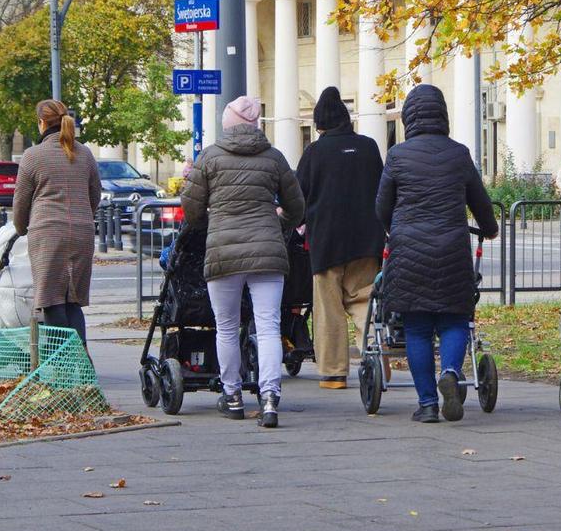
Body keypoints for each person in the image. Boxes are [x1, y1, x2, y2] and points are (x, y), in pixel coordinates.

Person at [376, 84, 500, 423]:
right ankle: (449, 371)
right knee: (455, 319)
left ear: (409, 116)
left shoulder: (398, 155)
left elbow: (381, 207)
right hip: (451, 248)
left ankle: (428, 404)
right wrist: (489, 228)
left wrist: (396, 227)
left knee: (416, 328)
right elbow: (480, 202)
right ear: (442, 114)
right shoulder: (458, 153)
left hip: (409, 250)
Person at [181, 96, 305, 428]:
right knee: (267, 327)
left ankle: (232, 395)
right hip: (268, 252)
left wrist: (213, 223)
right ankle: (268, 398)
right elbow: (297, 206)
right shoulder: (275, 158)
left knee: (226, 327)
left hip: (223, 251)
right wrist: (278, 226)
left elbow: (191, 210)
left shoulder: (209, 157)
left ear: (227, 124)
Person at [296, 87, 385, 389]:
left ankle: (334, 373)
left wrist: (296, 222)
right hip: (366, 240)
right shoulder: (370, 147)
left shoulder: (314, 153)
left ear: (319, 124)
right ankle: (376, 360)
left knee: (328, 309)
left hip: (326, 242)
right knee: (365, 302)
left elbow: (299, 198)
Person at [12, 99, 101, 347]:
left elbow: (20, 202)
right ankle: (79, 362)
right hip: (82, 233)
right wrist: (84, 215)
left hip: (48, 234)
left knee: (51, 300)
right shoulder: (85, 153)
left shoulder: (32, 156)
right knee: (73, 301)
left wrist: (20, 228)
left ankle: (66, 364)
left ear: (41, 123)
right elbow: (95, 195)